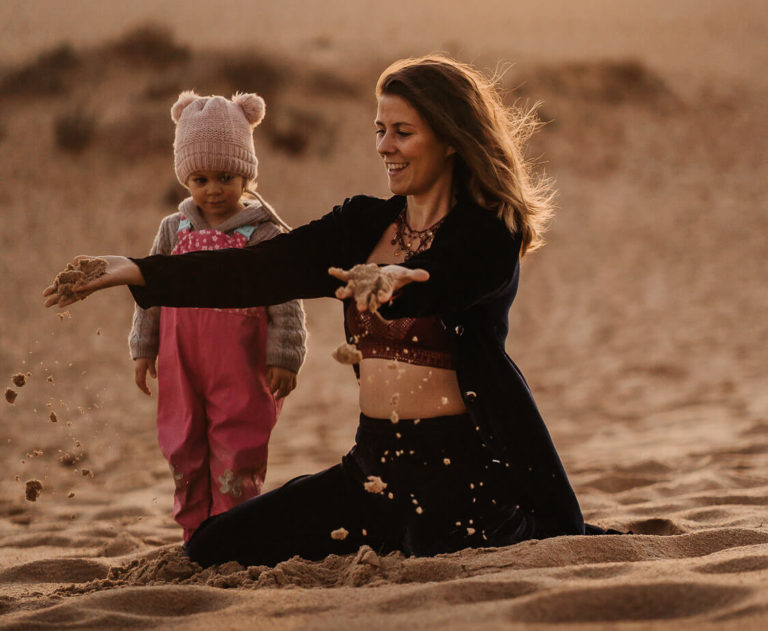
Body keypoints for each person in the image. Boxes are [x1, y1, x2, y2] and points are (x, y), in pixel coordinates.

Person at [45, 56, 589, 568]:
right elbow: (257, 269)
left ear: (450, 138)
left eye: (403, 131)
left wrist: (399, 278)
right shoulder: (360, 225)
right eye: (380, 130)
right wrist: (138, 271)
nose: (385, 146)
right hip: (373, 467)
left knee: (431, 547)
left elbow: (447, 277)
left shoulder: (488, 231)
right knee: (217, 544)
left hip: (460, 471)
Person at [127, 90, 306, 541]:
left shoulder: (262, 232)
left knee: (237, 451)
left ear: (245, 173)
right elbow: (150, 288)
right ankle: (194, 536)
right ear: (186, 179)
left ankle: (231, 536)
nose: (213, 189)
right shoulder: (174, 229)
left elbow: (287, 296)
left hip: (242, 369)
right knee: (183, 449)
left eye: (225, 176)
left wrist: (285, 354)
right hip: (182, 365)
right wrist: (143, 348)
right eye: (200, 179)